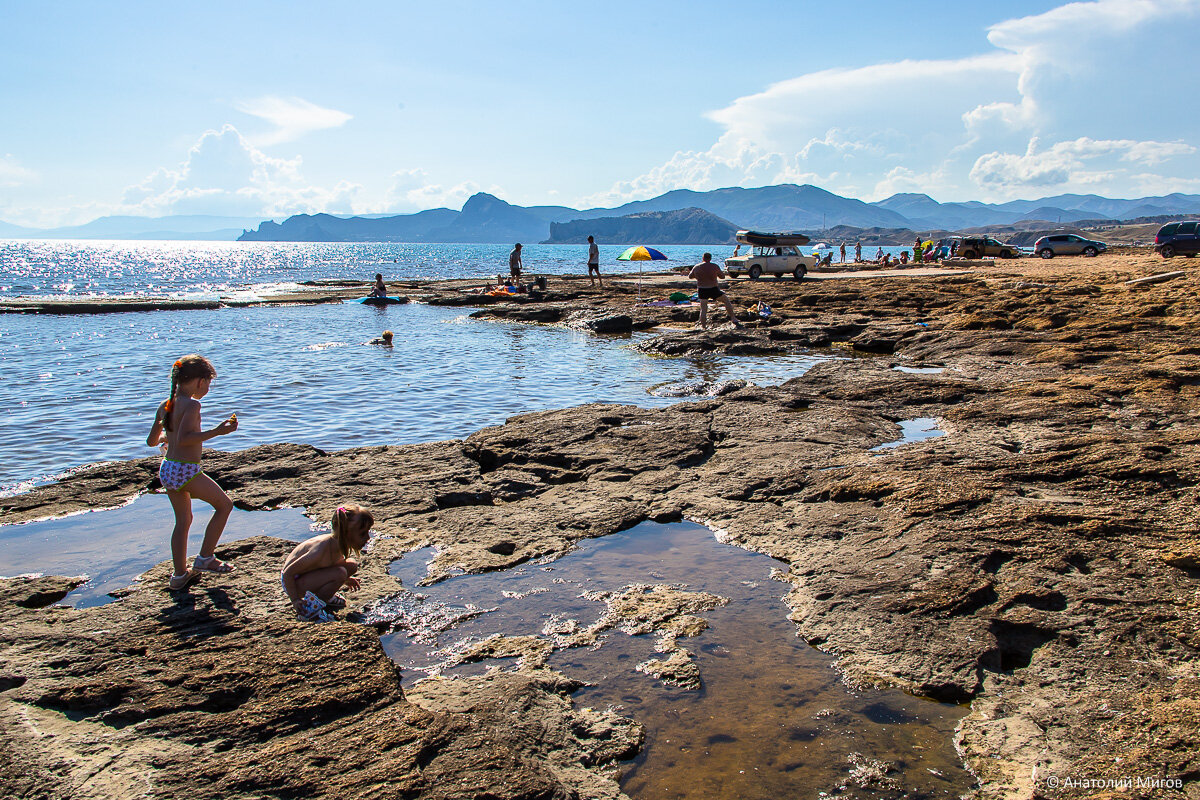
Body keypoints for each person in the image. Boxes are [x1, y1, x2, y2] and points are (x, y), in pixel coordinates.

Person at [145, 355, 239, 591]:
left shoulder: (166, 404)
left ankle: (179, 576)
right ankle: (205, 557)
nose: (207, 388)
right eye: (208, 383)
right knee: (225, 505)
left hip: (167, 469)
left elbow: (151, 441)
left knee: (183, 521)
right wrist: (217, 432)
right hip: (186, 470)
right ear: (199, 381)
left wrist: (168, 437)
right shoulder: (193, 405)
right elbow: (187, 439)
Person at [280, 504, 374, 621]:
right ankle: (309, 611)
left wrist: (346, 580)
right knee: (339, 573)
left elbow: (329, 564)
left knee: (351, 565)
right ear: (345, 533)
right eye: (362, 534)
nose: (368, 538)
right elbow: (288, 573)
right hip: (293, 581)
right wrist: (295, 600)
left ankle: (325, 597)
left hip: (310, 574)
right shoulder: (318, 551)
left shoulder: (338, 545)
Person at [688, 253, 743, 330]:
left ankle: (703, 327)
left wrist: (699, 275)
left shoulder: (697, 267)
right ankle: (733, 318)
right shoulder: (714, 266)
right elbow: (722, 276)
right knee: (726, 300)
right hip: (713, 288)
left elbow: (690, 276)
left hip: (702, 289)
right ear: (710, 259)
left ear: (703, 258)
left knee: (703, 308)